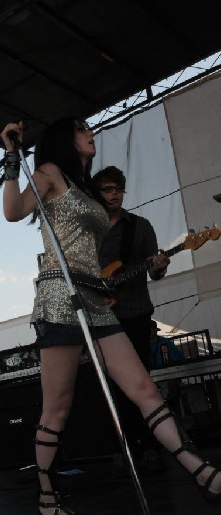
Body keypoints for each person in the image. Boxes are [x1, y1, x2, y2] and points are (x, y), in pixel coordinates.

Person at [0, 117, 221, 515]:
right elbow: (14, 211)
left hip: (98, 298)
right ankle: (48, 500)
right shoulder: (49, 173)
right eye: (84, 129)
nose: (92, 134)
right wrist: (12, 158)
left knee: (144, 388)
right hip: (60, 296)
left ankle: (203, 473)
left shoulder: (87, 188)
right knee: (58, 408)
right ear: (68, 139)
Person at [93, 165, 170, 465]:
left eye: (118, 189)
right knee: (112, 385)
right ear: (97, 194)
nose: (114, 194)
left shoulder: (140, 226)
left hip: (135, 312)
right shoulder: (89, 230)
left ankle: (148, 443)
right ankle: (123, 446)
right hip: (101, 316)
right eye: (108, 189)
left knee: (141, 381)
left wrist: (159, 266)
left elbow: (156, 271)